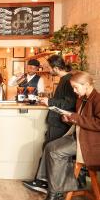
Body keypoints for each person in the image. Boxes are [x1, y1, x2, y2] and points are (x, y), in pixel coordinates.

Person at [41, 71, 100, 200]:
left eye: (76, 87)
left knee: (55, 152)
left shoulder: (98, 99)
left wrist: (74, 117)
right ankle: (54, 187)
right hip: (79, 137)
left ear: (86, 85)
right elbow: (80, 118)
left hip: (90, 143)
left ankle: (55, 192)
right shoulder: (82, 99)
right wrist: (68, 118)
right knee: (49, 147)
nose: (74, 91)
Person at [23, 55, 77, 194]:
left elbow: (70, 103)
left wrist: (50, 101)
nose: (46, 69)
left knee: (51, 151)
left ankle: (46, 184)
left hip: (61, 123)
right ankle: (42, 182)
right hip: (57, 122)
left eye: (48, 67)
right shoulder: (64, 79)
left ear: (57, 68)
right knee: (47, 148)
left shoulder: (68, 80)